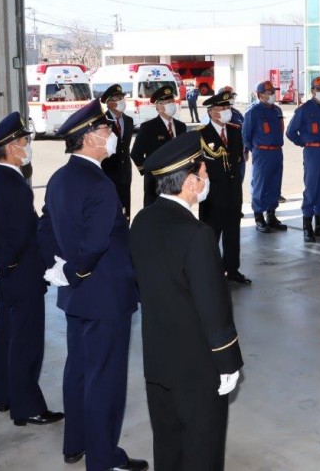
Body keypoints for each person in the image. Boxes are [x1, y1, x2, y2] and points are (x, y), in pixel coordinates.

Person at [38, 99, 146, 471]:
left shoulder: (60, 177)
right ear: (87, 139)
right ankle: (103, 458)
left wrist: (57, 267)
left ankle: (76, 443)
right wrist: (74, 270)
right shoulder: (99, 183)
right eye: (105, 131)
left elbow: (46, 227)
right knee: (105, 379)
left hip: (76, 297)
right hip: (105, 296)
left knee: (79, 369)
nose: (112, 135)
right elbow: (97, 244)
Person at [129, 132, 244, 471]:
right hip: (196, 368)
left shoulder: (142, 221)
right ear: (191, 183)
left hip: (158, 361)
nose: (208, 179)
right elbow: (213, 306)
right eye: (205, 173)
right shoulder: (197, 235)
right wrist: (228, 362)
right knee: (202, 450)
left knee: (167, 446)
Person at [0, 112, 63, 427]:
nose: (28, 145)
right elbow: (18, 236)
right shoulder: (14, 185)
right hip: (21, 273)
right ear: (10, 147)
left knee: (6, 337)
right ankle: (27, 407)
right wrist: (9, 263)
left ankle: (5, 395)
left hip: (6, 274)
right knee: (26, 342)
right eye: (24, 141)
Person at [198, 90, 249, 285]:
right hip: (212, 195)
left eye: (228, 107)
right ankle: (211, 273)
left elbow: (237, 161)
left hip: (233, 192)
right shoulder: (202, 134)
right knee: (210, 236)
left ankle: (232, 269)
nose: (227, 111)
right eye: (222, 108)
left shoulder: (235, 130)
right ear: (212, 112)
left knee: (233, 233)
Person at [286, 77, 320, 243]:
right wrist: (305, 143)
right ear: (312, 91)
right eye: (319, 88)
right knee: (312, 188)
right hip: (314, 152)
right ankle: (307, 226)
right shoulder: (304, 110)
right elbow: (290, 132)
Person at [242, 81, 287, 233]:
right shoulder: (253, 112)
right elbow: (246, 135)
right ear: (260, 95)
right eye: (269, 92)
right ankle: (258, 216)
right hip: (262, 152)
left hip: (276, 151)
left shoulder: (277, 110)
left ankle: (271, 215)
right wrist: (248, 150)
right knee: (261, 184)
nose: (272, 94)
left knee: (275, 184)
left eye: (273, 91)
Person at [131, 86, 187, 207]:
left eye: (172, 101)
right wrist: (148, 171)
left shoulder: (181, 126)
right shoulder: (148, 127)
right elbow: (136, 153)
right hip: (155, 183)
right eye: (168, 102)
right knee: (155, 217)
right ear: (159, 107)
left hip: (178, 181)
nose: (172, 104)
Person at [100, 84, 135, 218]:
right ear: (109, 103)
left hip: (125, 171)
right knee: (109, 210)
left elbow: (124, 147)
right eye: (118, 98)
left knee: (125, 208)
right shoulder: (102, 121)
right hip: (108, 172)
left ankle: (126, 232)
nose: (122, 101)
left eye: (122, 98)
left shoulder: (129, 120)